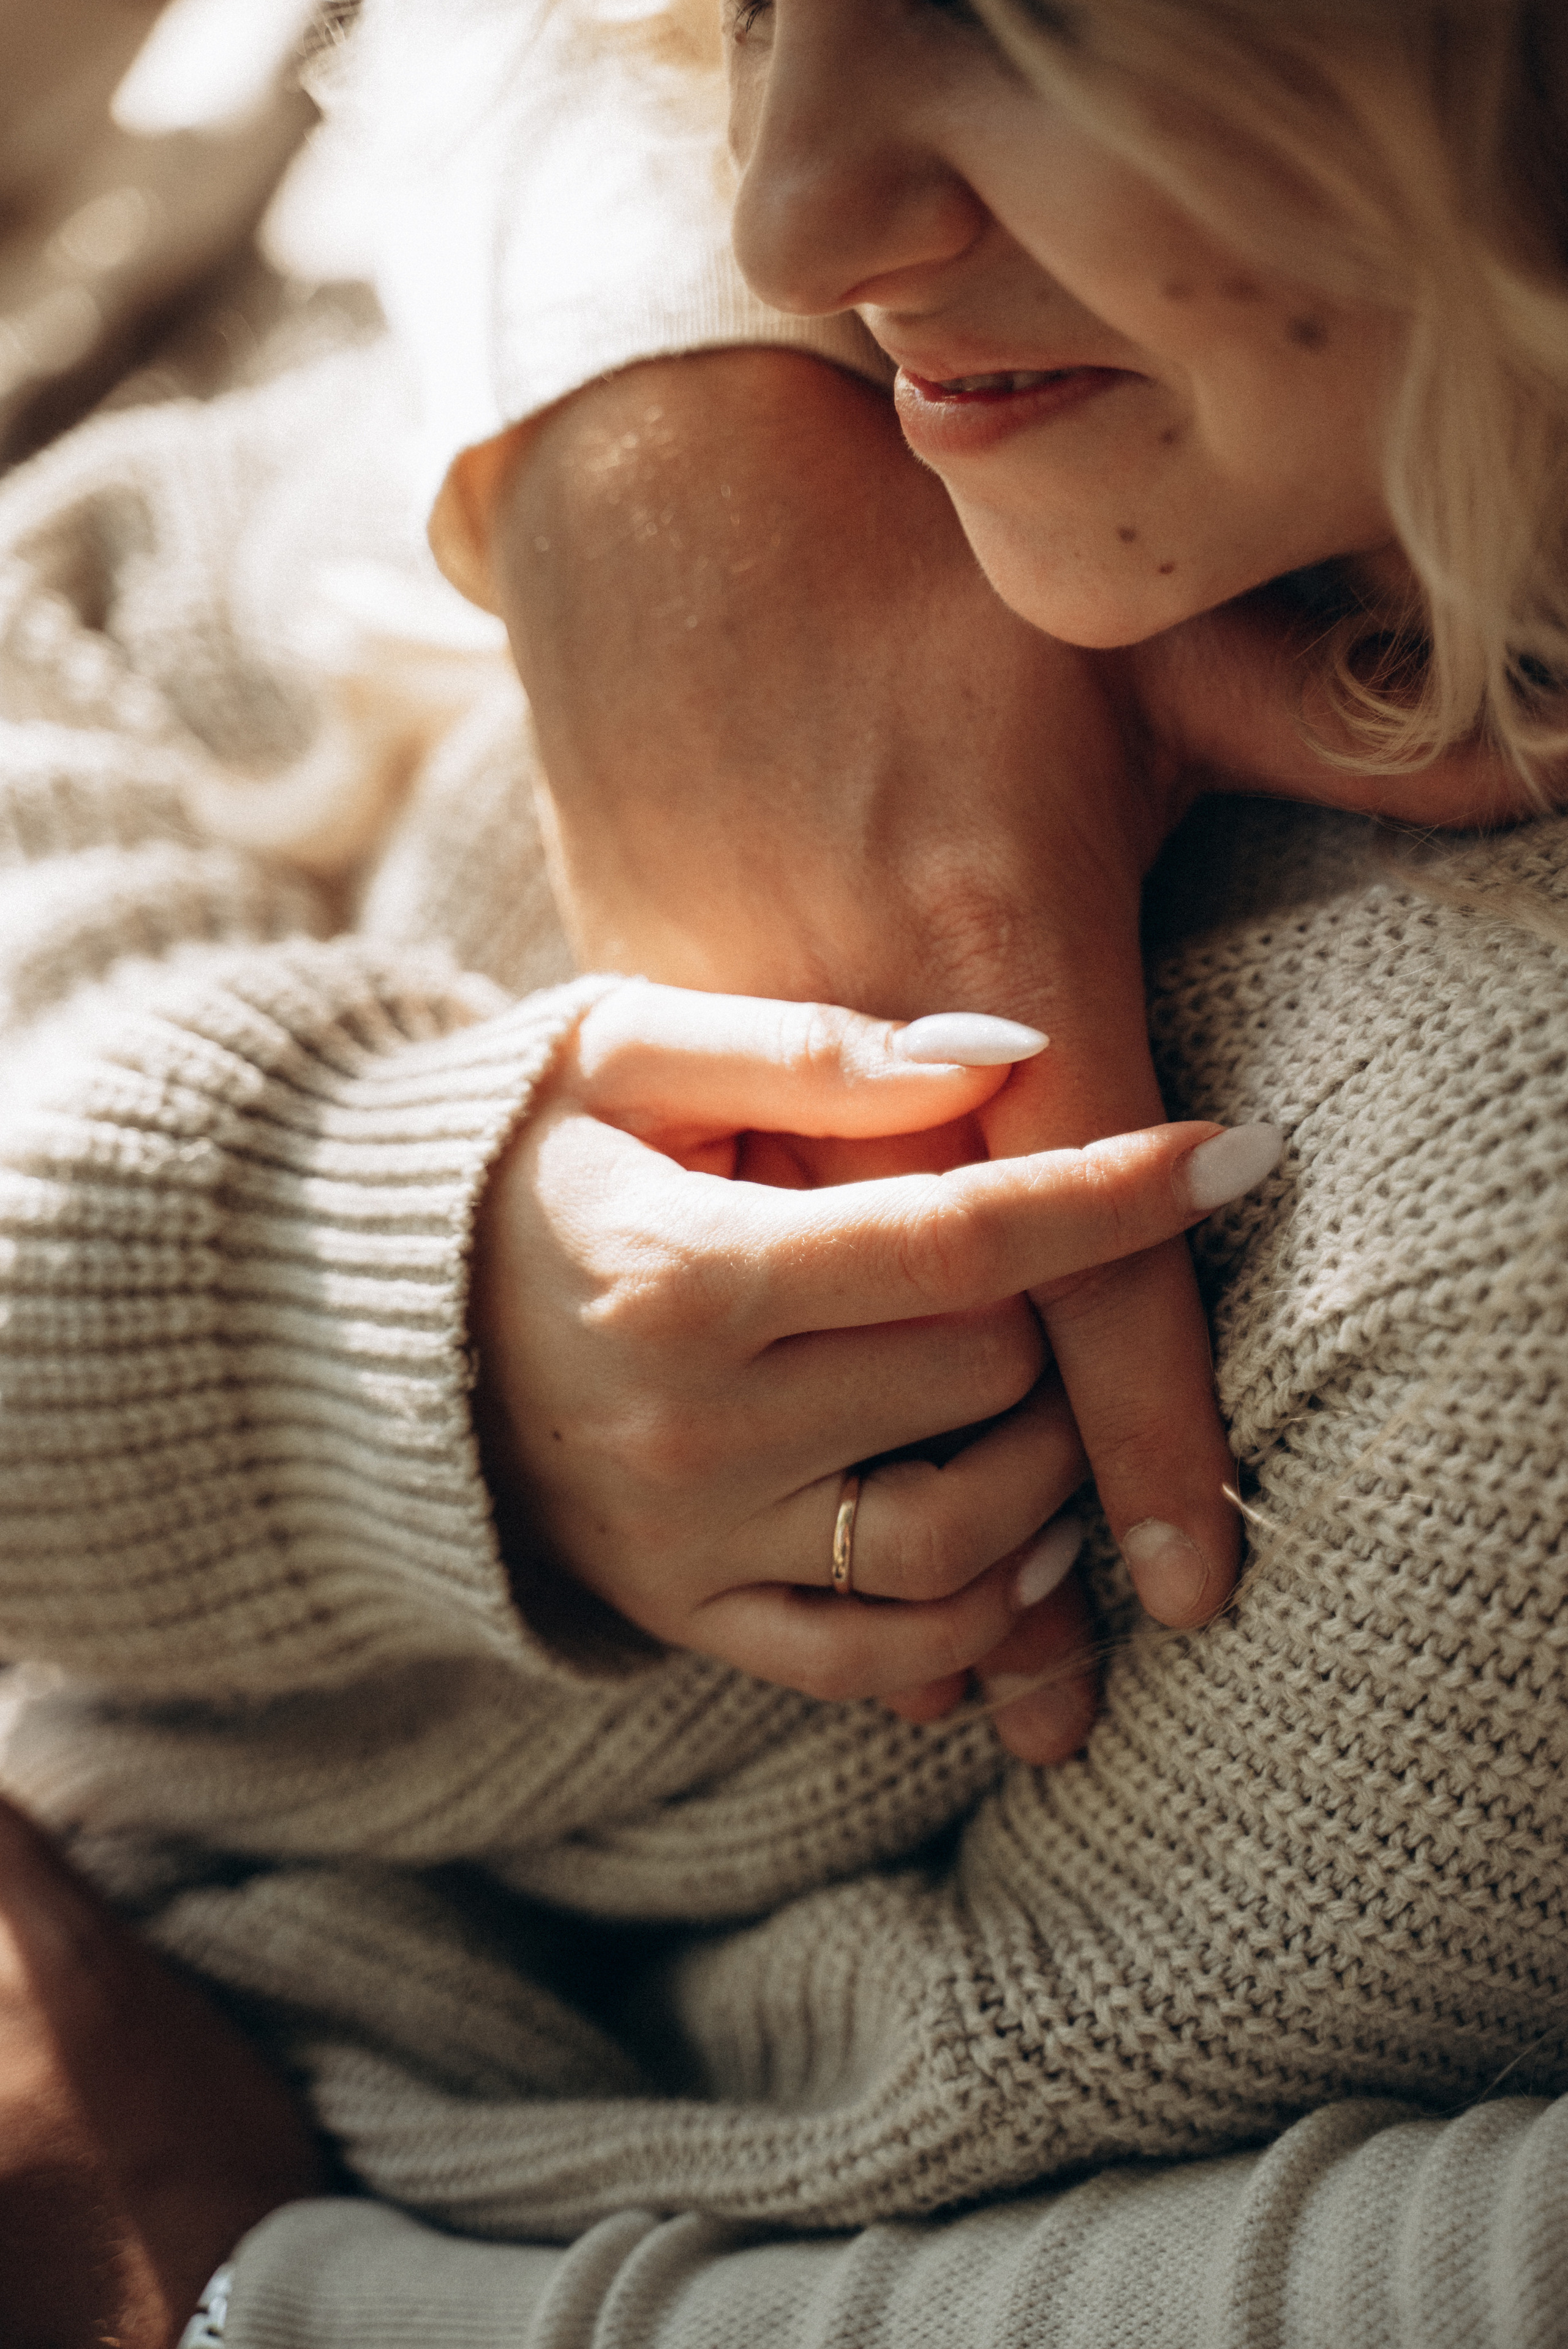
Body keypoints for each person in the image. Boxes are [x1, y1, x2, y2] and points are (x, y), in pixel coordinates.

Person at [2, 1, 1566, 2343]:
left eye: (1022, 17)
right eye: (759, 8)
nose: (782, 208)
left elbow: (678, 2177)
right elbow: (81, 597)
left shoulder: (1489, 1325)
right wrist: (339, 1272)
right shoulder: (864, 409)